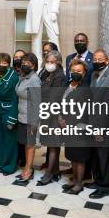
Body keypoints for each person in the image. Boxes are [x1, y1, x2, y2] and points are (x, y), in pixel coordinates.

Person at [87, 49, 109, 199]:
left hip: (104, 125)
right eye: (94, 58)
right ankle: (97, 180)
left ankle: (104, 187)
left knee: (104, 156)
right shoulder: (94, 75)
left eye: (100, 59)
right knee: (95, 155)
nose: (96, 61)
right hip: (93, 121)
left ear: (107, 61)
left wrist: (101, 129)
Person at [61, 59, 92, 194]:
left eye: (79, 71)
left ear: (84, 73)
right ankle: (74, 180)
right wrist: (61, 118)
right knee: (72, 155)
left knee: (79, 157)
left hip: (80, 127)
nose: (75, 73)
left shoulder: (85, 89)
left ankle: (79, 184)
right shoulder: (67, 85)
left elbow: (83, 111)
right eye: (73, 71)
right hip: (67, 127)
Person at [37, 50, 67, 186]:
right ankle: (56, 171)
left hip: (54, 114)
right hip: (45, 112)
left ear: (58, 62)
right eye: (48, 61)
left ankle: (49, 174)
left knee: (54, 144)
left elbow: (55, 98)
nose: (49, 64)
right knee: (50, 144)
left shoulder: (60, 76)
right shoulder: (46, 73)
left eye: (52, 62)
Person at [14, 53, 41, 185]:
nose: (24, 64)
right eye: (23, 61)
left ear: (34, 65)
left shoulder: (34, 79)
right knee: (26, 144)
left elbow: (37, 102)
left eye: (28, 62)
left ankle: (28, 171)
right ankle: (26, 167)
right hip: (22, 117)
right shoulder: (23, 77)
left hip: (30, 118)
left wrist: (34, 122)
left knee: (30, 145)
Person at [0, 53, 19, 175]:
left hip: (9, 111)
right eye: (0, 62)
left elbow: (15, 99)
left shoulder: (13, 77)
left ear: (9, 64)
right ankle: (0, 162)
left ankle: (10, 165)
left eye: (5, 63)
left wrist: (12, 119)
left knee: (9, 140)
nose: (1, 65)